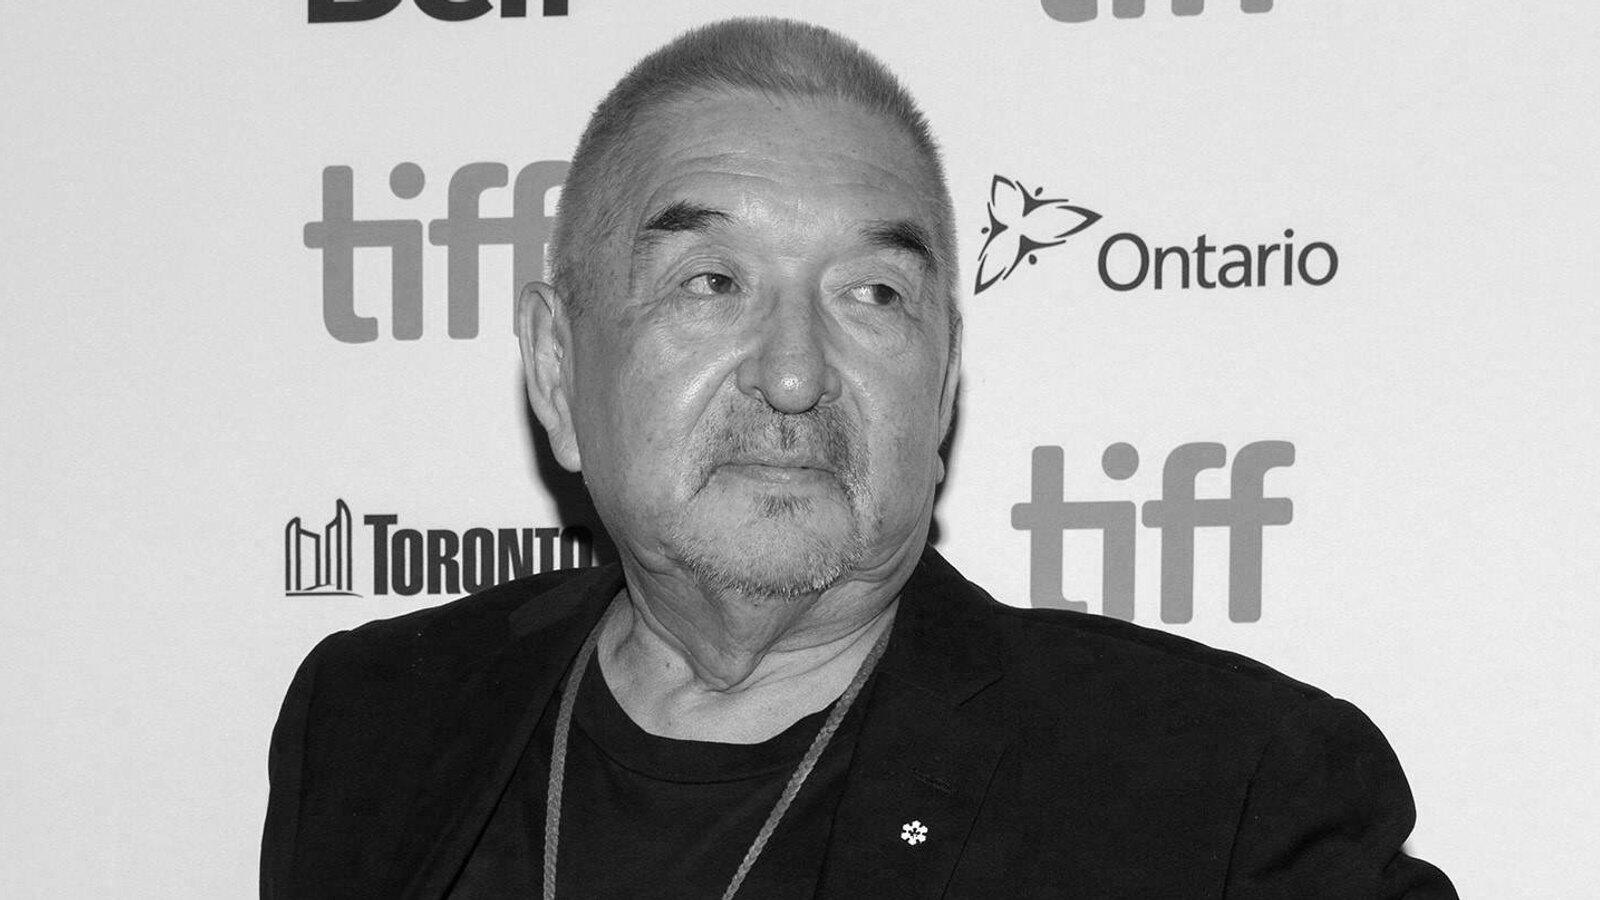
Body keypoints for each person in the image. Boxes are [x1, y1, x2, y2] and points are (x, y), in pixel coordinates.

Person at [262, 17, 1456, 899]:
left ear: (940, 382)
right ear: (558, 368)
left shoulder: (1219, 792)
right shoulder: (373, 722)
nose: (793, 374)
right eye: (711, 283)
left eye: (872, 293)